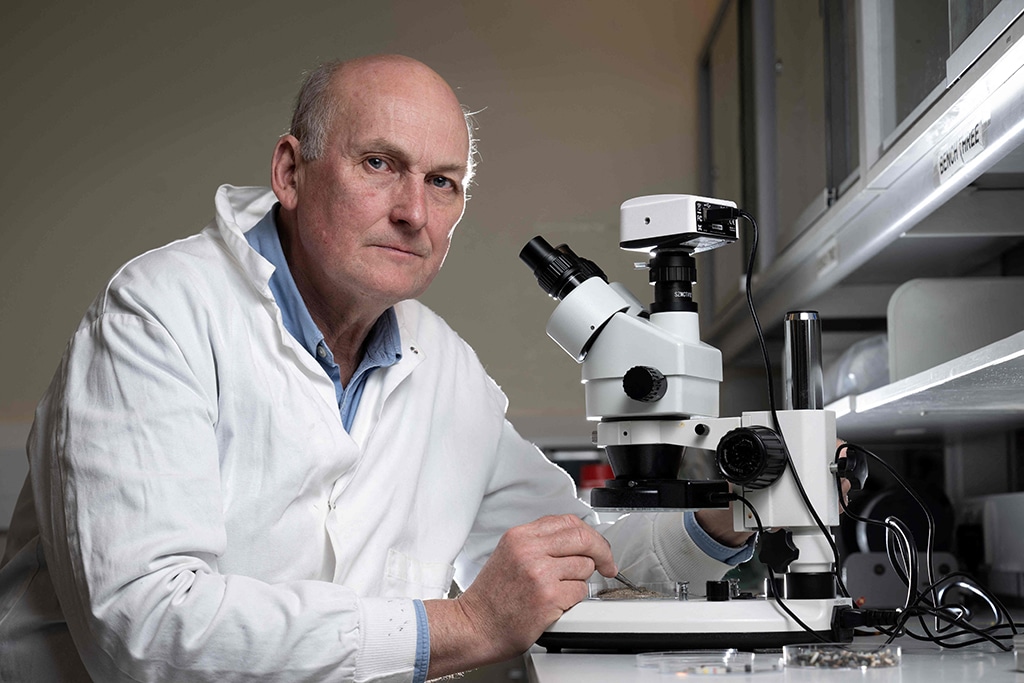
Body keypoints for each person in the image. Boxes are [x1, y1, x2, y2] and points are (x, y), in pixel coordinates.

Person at [0, 54, 754, 682]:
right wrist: (459, 626)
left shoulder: (443, 366)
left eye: (442, 181)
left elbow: (588, 555)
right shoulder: (158, 315)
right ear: (291, 172)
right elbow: (143, 627)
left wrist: (732, 514)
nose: (413, 212)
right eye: (379, 163)